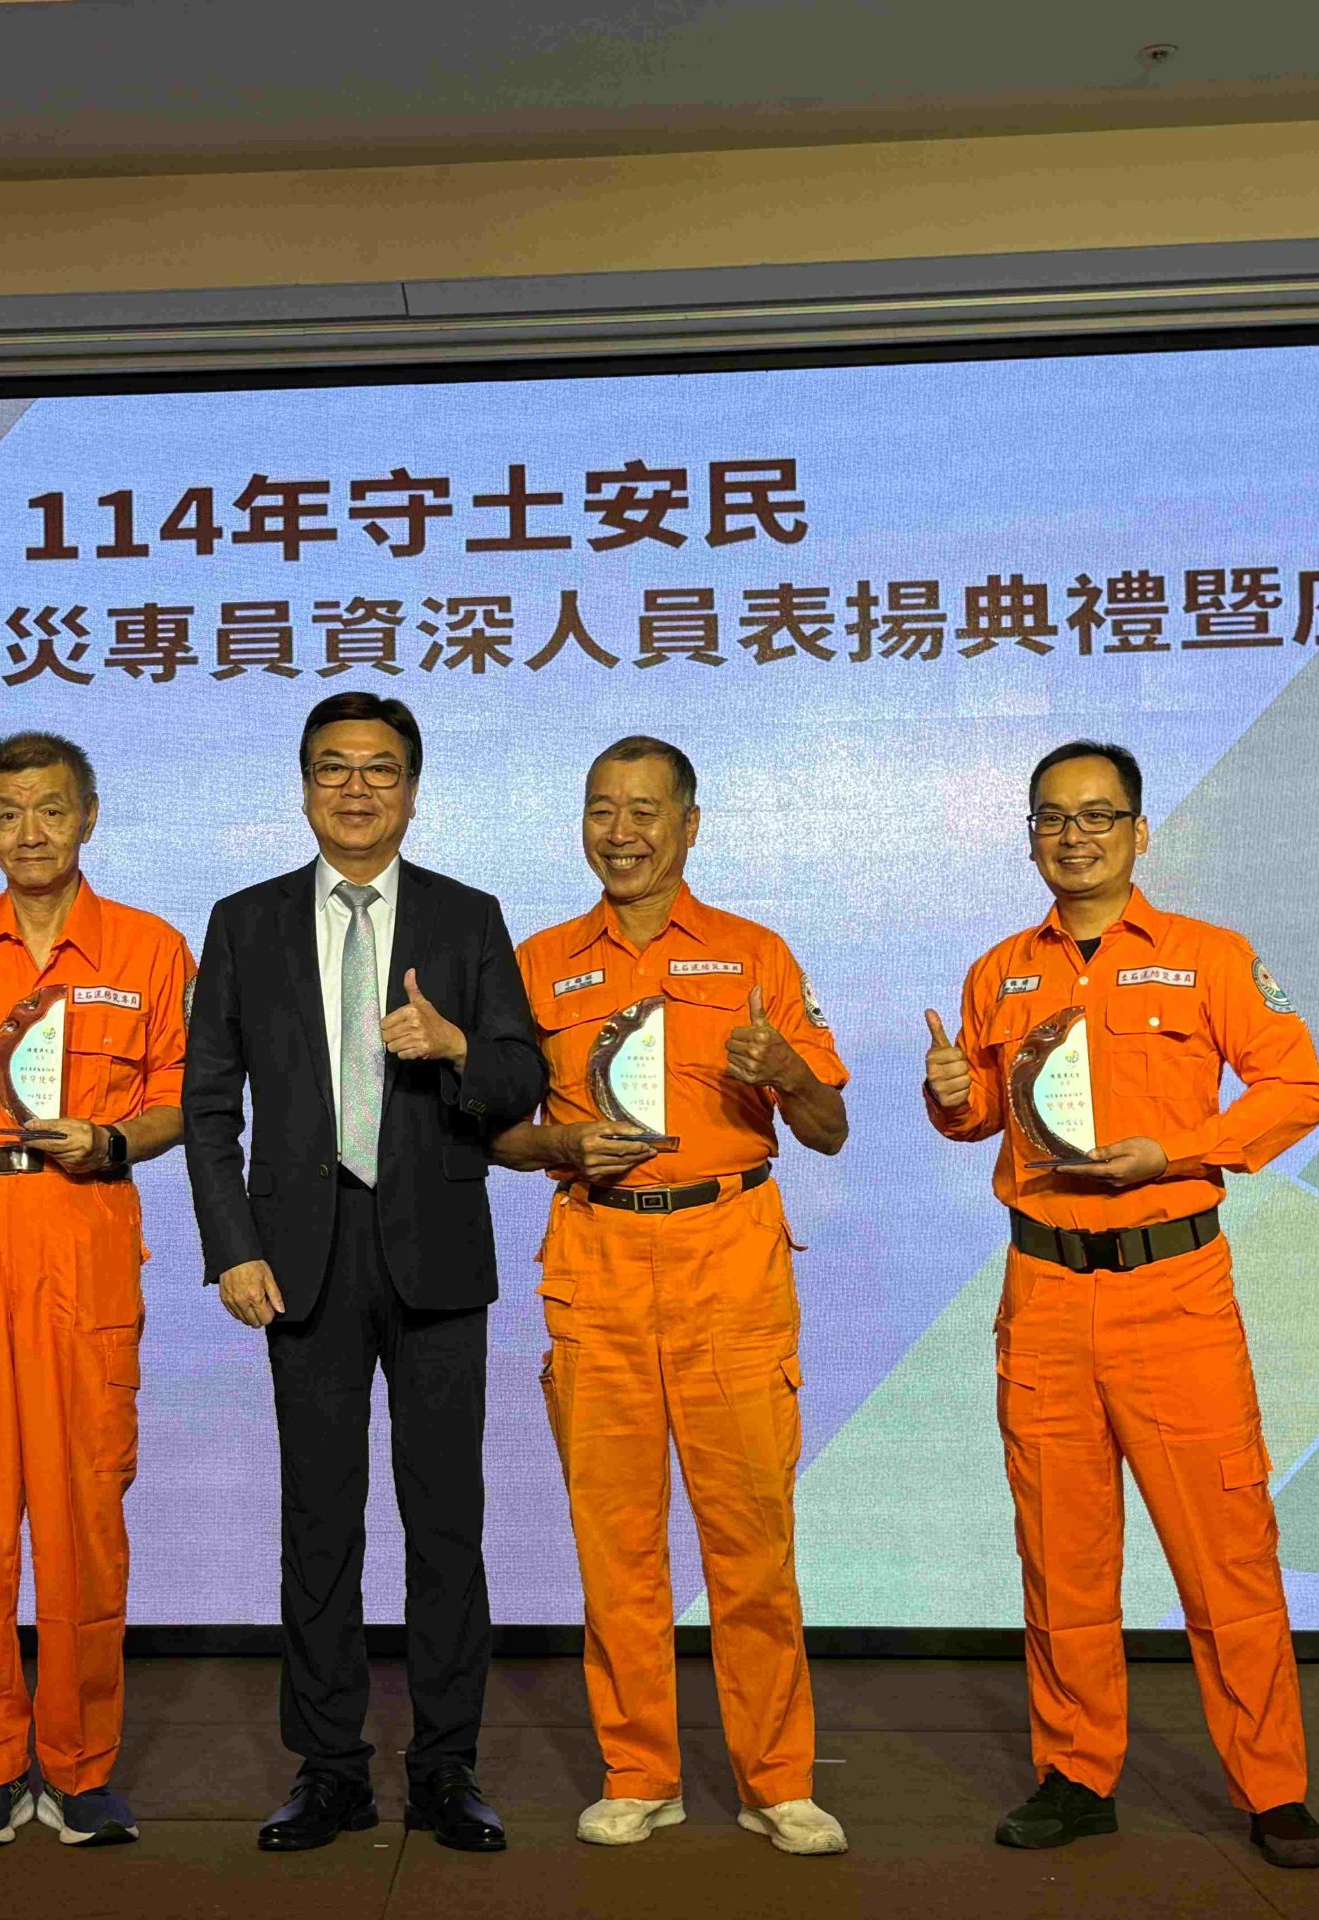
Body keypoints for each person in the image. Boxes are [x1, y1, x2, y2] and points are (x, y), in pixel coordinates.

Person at [922, 739, 1319, 1869]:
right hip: (1045, 1290)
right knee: (1061, 1552)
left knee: (1225, 1552)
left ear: (1140, 833)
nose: (1075, 836)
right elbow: (978, 1119)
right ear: (1030, 838)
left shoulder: (1209, 957)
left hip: (1172, 1287)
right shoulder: (1000, 971)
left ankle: (1272, 1788)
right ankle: (1075, 1773)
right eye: (1052, 818)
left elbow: (1296, 1087)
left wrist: (1179, 1151)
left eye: (1098, 816)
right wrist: (950, 1094)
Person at [182, 691, 544, 1855]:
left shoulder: (466, 915)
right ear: (303, 787)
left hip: (437, 1254)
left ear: (412, 790)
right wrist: (232, 1245)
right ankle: (329, 1768)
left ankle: (445, 1768)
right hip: (299, 1259)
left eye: (379, 769)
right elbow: (206, 1103)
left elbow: (522, 1077)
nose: (355, 789)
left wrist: (456, 1047)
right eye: (332, 767)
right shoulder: (243, 922)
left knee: (446, 1525)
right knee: (318, 1523)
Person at [494, 736, 850, 1855]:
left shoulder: (754, 955)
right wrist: (560, 1142)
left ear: (690, 825)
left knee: (752, 1540)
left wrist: (786, 1072)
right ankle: (639, 1771)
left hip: (728, 1260)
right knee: (616, 1543)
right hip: (596, 1258)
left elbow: (830, 1128)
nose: (622, 832)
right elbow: (492, 1134)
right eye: (602, 809)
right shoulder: (538, 963)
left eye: (646, 810)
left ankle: (776, 1780)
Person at [0, 732, 192, 1850]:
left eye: (51, 809)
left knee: (82, 1513)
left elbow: (181, 1100)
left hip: (81, 1230)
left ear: (88, 816)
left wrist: (113, 1138)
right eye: (7, 813)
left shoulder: (149, 947)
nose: (30, 833)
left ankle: (79, 1766)